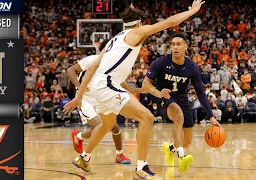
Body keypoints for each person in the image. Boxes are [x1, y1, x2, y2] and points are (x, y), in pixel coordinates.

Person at [63, 1, 205, 179]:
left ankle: (84, 158)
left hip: (100, 86)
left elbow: (91, 69)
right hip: (107, 85)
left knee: (106, 124)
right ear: (139, 24)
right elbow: (169, 22)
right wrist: (191, 11)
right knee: (147, 118)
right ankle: (141, 167)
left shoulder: (114, 40)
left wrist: (80, 97)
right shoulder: (136, 32)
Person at [142, 32, 221, 171]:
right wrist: (157, 93)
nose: (175, 47)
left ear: (186, 46)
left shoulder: (192, 67)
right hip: (163, 97)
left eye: (178, 44)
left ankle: (170, 148)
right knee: (178, 116)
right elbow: (146, 83)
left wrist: (211, 116)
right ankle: (182, 156)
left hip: (182, 99)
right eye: (173, 44)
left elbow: (200, 93)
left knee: (187, 141)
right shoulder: (161, 62)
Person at [67, 39, 132, 164]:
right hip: (85, 99)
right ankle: (78, 136)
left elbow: (119, 83)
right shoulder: (92, 59)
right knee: (99, 127)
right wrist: (80, 87)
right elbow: (70, 70)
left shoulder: (113, 65)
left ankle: (119, 155)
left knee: (114, 127)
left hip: (102, 97)